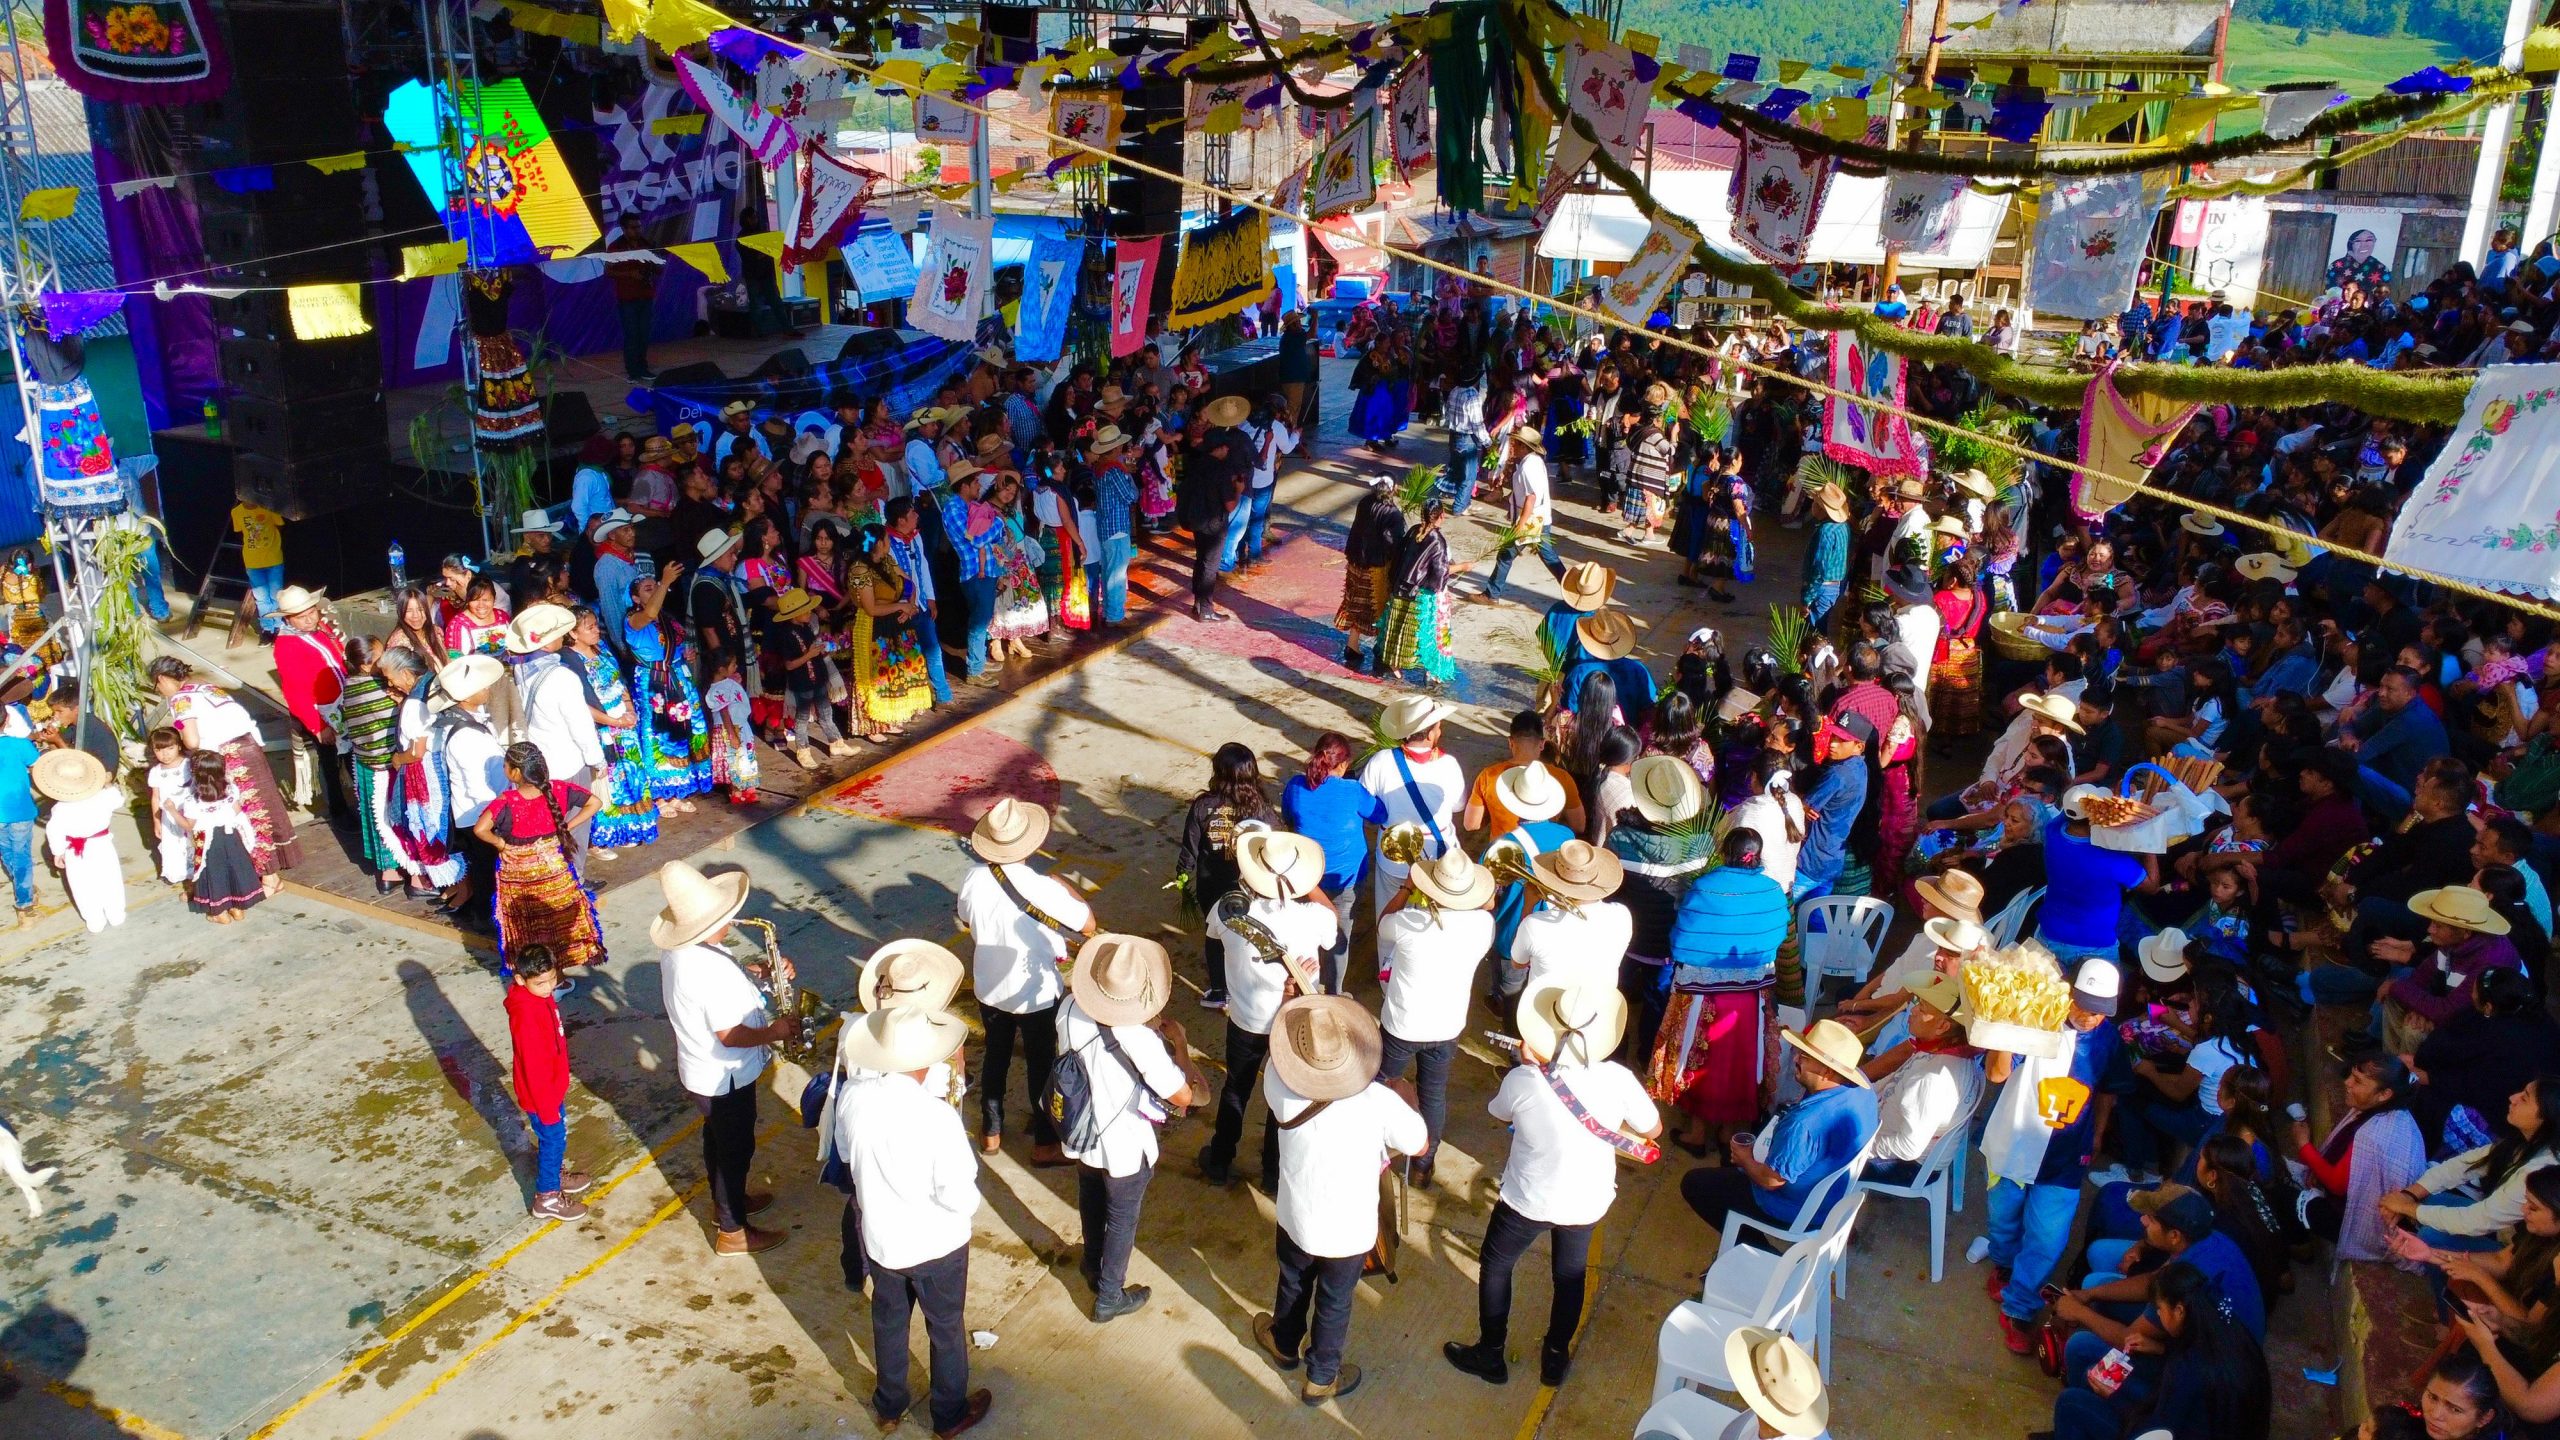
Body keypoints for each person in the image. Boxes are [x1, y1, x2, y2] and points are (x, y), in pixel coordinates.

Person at [1445, 980, 1661, 1388]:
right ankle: (1555, 1357)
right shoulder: (1618, 1078)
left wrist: (1532, 1069)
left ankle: (1491, 1352)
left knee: (1496, 1265)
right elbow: (1653, 1129)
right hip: (1587, 1199)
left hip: (1528, 1198)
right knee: (1569, 1276)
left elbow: (1500, 1113)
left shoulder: (1524, 1081)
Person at [1249, 994, 1428, 1406]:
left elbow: (1278, 1051)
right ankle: (1320, 1378)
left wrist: (1288, 1002)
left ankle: (1284, 1344)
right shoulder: (1378, 1102)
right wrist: (1407, 1098)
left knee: (1293, 1281)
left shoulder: (1278, 1081)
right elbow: (1419, 1144)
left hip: (1296, 1216)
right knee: (1334, 1302)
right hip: (1350, 1230)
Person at [834, 1004, 993, 1438]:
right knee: (945, 1329)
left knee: (889, 1322)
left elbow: (846, 1156)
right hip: (937, 1247)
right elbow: (960, 1199)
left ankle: (889, 1405)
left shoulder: (854, 1096)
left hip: (882, 1241)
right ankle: (949, 1414)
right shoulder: (937, 1117)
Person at [1981, 958, 2132, 1353]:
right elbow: (1996, 1075)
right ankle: (2004, 1265)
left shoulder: (2109, 1040)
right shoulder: (2036, 1020)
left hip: (2066, 1158)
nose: (2091, 1017)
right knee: (2003, 1220)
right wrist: (2004, 1027)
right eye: (2084, 1005)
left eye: (2101, 1011)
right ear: (2067, 992)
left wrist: (2098, 1132)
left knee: (2048, 1239)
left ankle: (2019, 1306)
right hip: (2013, 1146)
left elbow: (2108, 1090)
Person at [654, 860, 799, 1255]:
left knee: (719, 1141)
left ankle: (727, 1205)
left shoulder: (685, 950)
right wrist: (776, 1032)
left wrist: (758, 971)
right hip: (725, 1076)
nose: (732, 922)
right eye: (723, 917)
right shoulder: (704, 970)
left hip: (704, 1073)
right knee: (735, 1150)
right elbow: (730, 1035)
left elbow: (716, 986)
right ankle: (733, 1231)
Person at [1055, 933, 1199, 1323]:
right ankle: (1109, 1296)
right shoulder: (1138, 1037)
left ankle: (1091, 1262)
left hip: (1082, 1129)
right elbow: (1183, 1095)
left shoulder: (1069, 1007)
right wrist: (1180, 1044)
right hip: (1123, 1143)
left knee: (1090, 1197)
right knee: (1122, 1218)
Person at [956, 798, 1095, 1165]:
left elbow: (966, 919)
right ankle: (1045, 1143)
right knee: (1042, 1066)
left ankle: (991, 1131)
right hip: (1036, 993)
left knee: (996, 1056)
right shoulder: (1043, 887)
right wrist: (1065, 885)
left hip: (990, 986)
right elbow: (1088, 925)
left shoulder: (974, 878)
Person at [1200, 830, 1338, 1189]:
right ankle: (1273, 1173)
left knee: (1236, 1088)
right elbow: (1332, 919)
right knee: (1285, 1097)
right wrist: (1304, 884)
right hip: (1293, 1023)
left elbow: (1213, 935)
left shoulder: (1228, 910)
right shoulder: (1313, 917)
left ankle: (1220, 1159)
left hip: (1246, 1021)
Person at [1678, 1018, 1879, 1241]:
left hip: (1796, 1208)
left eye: (1805, 1057)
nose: (1795, 1059)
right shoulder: (1864, 1089)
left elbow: (1770, 1181)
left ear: (1827, 1072)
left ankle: (1754, 1247)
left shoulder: (1803, 1124)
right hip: (1835, 1193)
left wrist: (1745, 1159)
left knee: (1695, 1184)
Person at [1658, 828, 1792, 1155]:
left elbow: (1682, 940)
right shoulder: (1773, 891)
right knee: (1740, 1063)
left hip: (1703, 996)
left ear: (1724, 853)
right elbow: (1777, 935)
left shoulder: (1705, 888)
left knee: (1699, 1059)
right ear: (1757, 855)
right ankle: (1729, 1134)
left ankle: (1696, 1133)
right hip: (1750, 998)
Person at [1376, 851, 1498, 1189]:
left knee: (1380, 1086)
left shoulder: (1409, 922)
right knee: (1433, 1094)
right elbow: (1486, 906)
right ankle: (1422, 1166)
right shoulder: (1483, 925)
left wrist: (1406, 888)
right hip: (1447, 1027)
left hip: (1402, 1026)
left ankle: (1376, 1150)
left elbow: (1383, 925)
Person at [2049, 1259, 2271, 1440]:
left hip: (2174, 1428)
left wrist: (2112, 1396)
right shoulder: (2226, 1327)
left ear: (2179, 1311)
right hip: (2209, 1422)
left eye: (2159, 1309)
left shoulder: (2187, 1368)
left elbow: (2157, 1432)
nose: (2157, 1315)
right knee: (2086, 1354)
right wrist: (2161, 1348)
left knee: (2071, 1402)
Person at [150, 657, 300, 889]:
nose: (160, 691)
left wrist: (183, 744)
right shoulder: (205, 686)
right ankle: (276, 862)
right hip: (249, 744)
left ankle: (270, 875)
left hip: (230, 754)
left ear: (161, 679)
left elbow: (192, 740)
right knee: (265, 803)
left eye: (157, 686)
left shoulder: (180, 699)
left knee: (248, 811)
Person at [473, 741, 605, 976]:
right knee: (558, 923)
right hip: (555, 871)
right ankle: (558, 978)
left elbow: (480, 829)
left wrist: (500, 844)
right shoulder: (559, 789)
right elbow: (595, 802)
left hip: (519, 879)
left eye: (505, 765)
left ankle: (534, 979)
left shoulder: (507, 801)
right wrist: (567, 826)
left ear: (515, 772)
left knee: (526, 929)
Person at [2384, 1077, 2560, 1253]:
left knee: (2431, 1236)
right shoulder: (2524, 1142)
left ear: (2547, 1117)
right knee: (2426, 1199)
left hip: (2516, 1253)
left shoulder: (2540, 1169)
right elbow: (2463, 1165)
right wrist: (2409, 1195)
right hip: (2498, 1227)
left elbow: (2475, 1221)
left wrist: (2407, 1207)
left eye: (2524, 1098)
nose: (2513, 1098)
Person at [2291, 1054, 2427, 1259]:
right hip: (2383, 1213)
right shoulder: (2391, 1113)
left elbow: (2337, 1184)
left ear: (2384, 1094)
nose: (2347, 1083)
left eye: (2357, 1081)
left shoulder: (2373, 1137)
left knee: (2283, 1197)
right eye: (2351, 1076)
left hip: (2369, 1228)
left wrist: (2304, 1146)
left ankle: (2302, 1250)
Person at [1282, 733, 1387, 993]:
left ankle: (1304, 986)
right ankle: (1334, 992)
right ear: (1342, 764)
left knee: (1305, 935)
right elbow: (1379, 814)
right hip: (1346, 879)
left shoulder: (1295, 787)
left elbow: (1288, 817)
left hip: (1307, 879)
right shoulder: (1352, 790)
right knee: (1340, 937)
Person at [505, 604, 606, 866]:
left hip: (541, 764)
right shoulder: (562, 676)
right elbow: (580, 726)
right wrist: (597, 759)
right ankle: (574, 879)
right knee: (574, 829)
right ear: (548, 642)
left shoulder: (521, 669)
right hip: (568, 763)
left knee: (550, 827)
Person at [1859, 974, 1981, 1183]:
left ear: (1942, 1027)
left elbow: (1908, 1147)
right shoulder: (1939, 1051)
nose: (1913, 1011)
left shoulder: (1932, 1079)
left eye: (1922, 1009)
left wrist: (1861, 1148)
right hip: (1885, 1133)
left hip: (1905, 1164)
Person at [1180, 742, 1274, 1011]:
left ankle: (1220, 991)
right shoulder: (1260, 807)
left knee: (1214, 935)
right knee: (1246, 933)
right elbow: (1273, 841)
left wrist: (1182, 876)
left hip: (1210, 885)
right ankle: (1244, 985)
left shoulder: (1203, 806)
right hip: (1248, 885)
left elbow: (1190, 847)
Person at [504, 944, 592, 1218]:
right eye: (540, 983)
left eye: (552, 979)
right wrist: (546, 1106)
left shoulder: (538, 998)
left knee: (556, 1138)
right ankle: (547, 1197)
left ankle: (554, 1174)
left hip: (551, 1088)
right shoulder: (526, 1015)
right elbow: (534, 1067)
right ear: (521, 979)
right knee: (553, 1138)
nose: (548, 987)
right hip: (542, 1095)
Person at [1359, 695, 1465, 915]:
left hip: (1392, 857)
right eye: (1438, 727)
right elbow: (1458, 805)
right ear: (1429, 735)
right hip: (1436, 859)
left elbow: (1363, 801)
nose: (1440, 732)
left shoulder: (1381, 760)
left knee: (1388, 915)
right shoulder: (1449, 765)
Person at [563, 607, 655, 856]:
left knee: (631, 775)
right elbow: (581, 704)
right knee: (609, 782)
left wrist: (629, 709)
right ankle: (604, 838)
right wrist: (613, 722)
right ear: (573, 633)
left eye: (596, 625)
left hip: (623, 722)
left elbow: (619, 681)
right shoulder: (570, 661)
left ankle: (632, 827)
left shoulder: (602, 650)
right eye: (590, 627)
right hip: (602, 727)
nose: (597, 630)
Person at [2039, 785, 2160, 961]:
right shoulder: (2112, 857)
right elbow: (2152, 886)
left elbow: (2072, 811)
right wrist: (2151, 844)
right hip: (2094, 946)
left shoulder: (2052, 832)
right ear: (2095, 816)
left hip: (2048, 936)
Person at [269, 584, 351, 820]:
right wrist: (318, 726)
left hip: (341, 702)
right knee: (329, 764)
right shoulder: (286, 647)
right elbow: (296, 692)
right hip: (321, 712)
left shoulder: (321, 628)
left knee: (348, 757)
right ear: (288, 619)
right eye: (301, 617)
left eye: (311, 613)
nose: (309, 620)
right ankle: (338, 811)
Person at [35, 750, 122, 933]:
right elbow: (118, 799)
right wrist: (107, 784)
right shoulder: (104, 796)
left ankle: (94, 920)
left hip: (74, 851)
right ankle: (116, 914)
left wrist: (58, 852)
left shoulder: (60, 809)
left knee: (82, 885)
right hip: (102, 844)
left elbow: (54, 830)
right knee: (110, 878)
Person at [1377, 497, 1456, 685]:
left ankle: (1393, 664)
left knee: (1398, 630)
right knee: (1430, 633)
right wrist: (1462, 567)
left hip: (1401, 589)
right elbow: (1439, 574)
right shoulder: (1438, 541)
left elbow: (1399, 556)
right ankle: (1433, 671)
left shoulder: (1413, 531)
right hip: (1421, 595)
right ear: (1441, 516)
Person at [178, 750, 262, 923]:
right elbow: (238, 812)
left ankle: (219, 913)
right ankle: (237, 908)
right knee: (235, 867)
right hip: (231, 836)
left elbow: (188, 825)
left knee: (214, 872)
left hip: (209, 841)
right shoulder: (230, 791)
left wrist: (172, 810)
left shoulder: (193, 801)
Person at [1485, 431, 1566, 601]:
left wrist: (1520, 525)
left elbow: (1531, 497)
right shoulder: (1532, 462)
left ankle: (1492, 594)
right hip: (1538, 518)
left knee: (1505, 555)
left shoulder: (1529, 466)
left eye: (1515, 443)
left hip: (1532, 520)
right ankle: (1572, 588)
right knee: (1549, 557)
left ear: (1524, 446)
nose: (1512, 446)